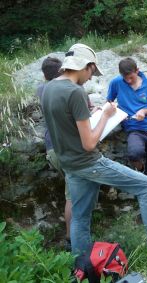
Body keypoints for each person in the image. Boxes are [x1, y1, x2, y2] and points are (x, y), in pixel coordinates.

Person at [41, 43, 147, 263]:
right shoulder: (75, 91)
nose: (90, 78)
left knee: (80, 215)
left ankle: (82, 265)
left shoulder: (49, 88)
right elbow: (89, 143)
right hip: (89, 162)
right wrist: (106, 116)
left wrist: (91, 115)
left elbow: (66, 126)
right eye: (91, 72)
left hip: (69, 163)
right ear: (85, 66)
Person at [106, 58, 147, 187]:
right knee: (134, 153)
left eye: (131, 77)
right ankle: (141, 170)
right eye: (125, 78)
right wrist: (118, 114)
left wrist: (144, 111)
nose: (128, 81)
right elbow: (109, 102)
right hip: (134, 129)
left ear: (137, 71)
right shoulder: (116, 82)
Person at [36, 57, 72, 250]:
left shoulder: (41, 89)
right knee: (72, 196)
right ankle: (71, 239)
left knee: (73, 192)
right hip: (64, 148)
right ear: (61, 72)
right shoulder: (62, 89)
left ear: (44, 74)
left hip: (51, 148)